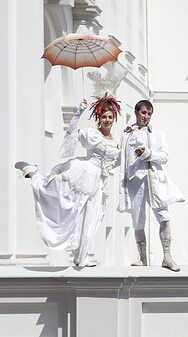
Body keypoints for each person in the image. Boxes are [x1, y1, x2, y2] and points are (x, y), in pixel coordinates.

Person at [15, 96, 121, 267]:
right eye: (104, 117)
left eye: (110, 117)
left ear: (114, 118)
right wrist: (79, 112)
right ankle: (32, 174)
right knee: (59, 198)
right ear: (98, 119)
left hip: (100, 182)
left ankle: (81, 256)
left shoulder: (116, 140)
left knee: (93, 218)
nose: (107, 120)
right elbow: (72, 132)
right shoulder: (92, 134)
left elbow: (116, 161)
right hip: (83, 173)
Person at [118, 99, 185, 271]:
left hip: (154, 179)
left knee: (164, 216)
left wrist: (146, 153)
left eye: (148, 113)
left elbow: (164, 157)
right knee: (138, 221)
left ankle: (167, 256)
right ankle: (142, 258)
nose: (146, 116)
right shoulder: (127, 134)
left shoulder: (159, 134)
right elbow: (121, 156)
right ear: (136, 113)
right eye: (143, 113)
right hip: (135, 180)